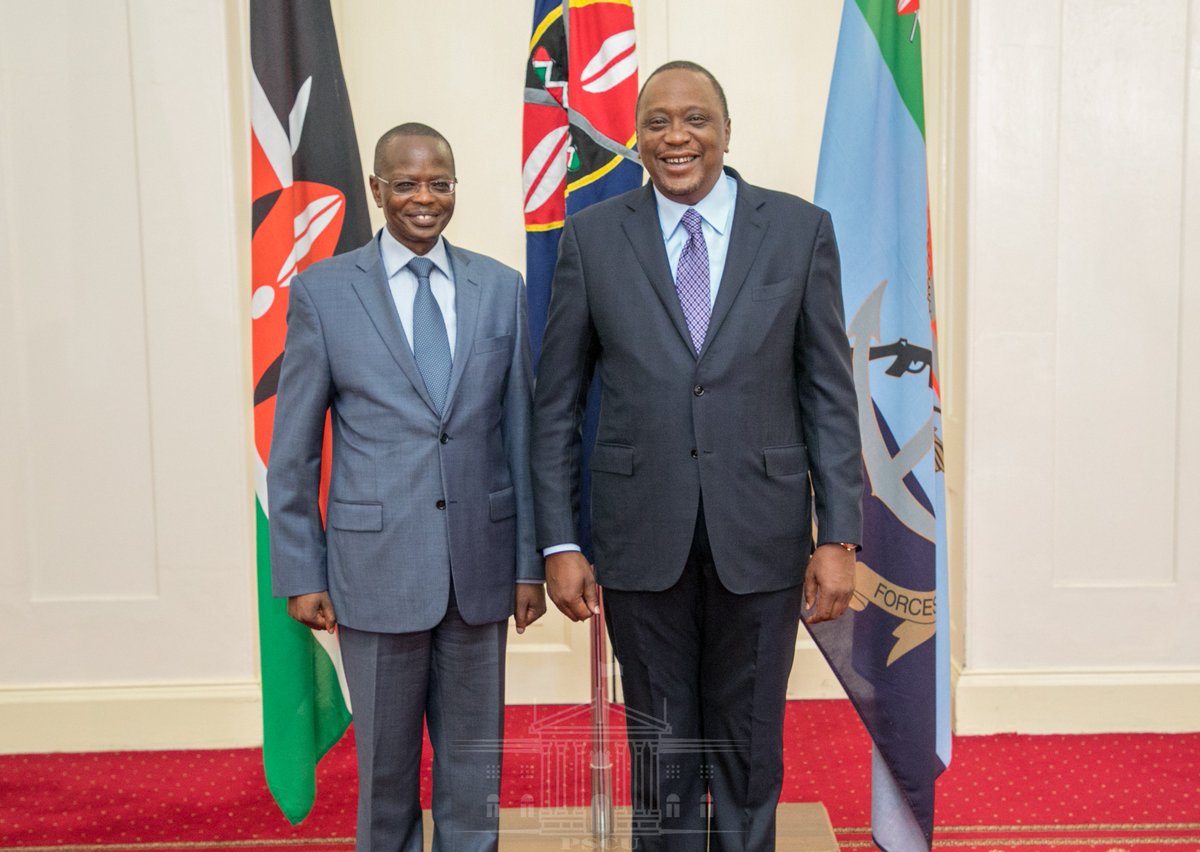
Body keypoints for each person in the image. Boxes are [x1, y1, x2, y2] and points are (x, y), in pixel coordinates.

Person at [532, 62, 863, 850]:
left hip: (766, 533)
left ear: (725, 129)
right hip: (639, 536)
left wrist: (837, 535)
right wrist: (558, 540)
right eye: (657, 122)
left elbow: (828, 392)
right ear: (637, 137)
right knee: (662, 746)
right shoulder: (591, 236)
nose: (677, 137)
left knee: (750, 748)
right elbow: (557, 404)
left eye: (696, 119)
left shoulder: (798, 229)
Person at [268, 123, 545, 852]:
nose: (425, 198)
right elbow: (292, 449)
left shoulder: (499, 288)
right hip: (374, 572)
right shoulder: (324, 293)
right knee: (386, 784)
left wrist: (528, 564)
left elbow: (520, 437)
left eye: (440, 182)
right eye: (407, 183)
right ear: (377, 190)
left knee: (472, 778)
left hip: (481, 574)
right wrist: (301, 569)